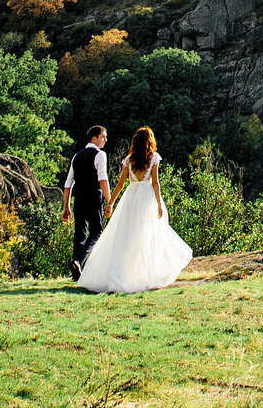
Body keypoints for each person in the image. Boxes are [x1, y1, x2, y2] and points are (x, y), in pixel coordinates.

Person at [75, 125, 193, 294]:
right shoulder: (153, 158)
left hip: (130, 197)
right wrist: (159, 203)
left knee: (126, 236)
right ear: (150, 141)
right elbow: (155, 183)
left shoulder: (128, 160)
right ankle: (146, 275)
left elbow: (121, 184)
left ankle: (122, 274)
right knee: (148, 235)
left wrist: (111, 203)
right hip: (146, 197)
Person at [61, 126, 110, 281]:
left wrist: (66, 207)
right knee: (96, 231)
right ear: (93, 138)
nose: (105, 140)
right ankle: (79, 261)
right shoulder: (100, 155)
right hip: (94, 197)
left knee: (80, 233)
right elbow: (103, 179)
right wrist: (110, 201)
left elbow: (68, 184)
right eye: (103, 137)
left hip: (79, 198)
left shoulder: (77, 156)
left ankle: (76, 272)